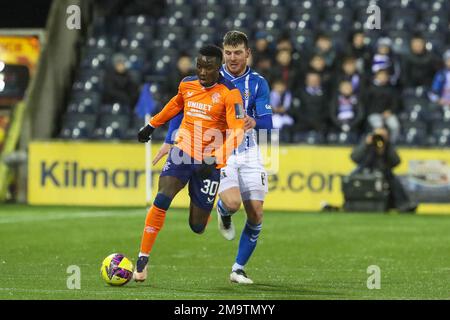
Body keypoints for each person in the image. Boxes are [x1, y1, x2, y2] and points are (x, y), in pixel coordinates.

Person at [153, 31, 273, 284]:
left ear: (247, 53)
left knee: (257, 215)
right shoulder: (210, 77)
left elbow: (268, 121)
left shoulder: (259, 83)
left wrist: (254, 120)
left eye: (238, 52)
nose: (232, 58)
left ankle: (238, 269)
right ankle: (223, 210)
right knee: (232, 203)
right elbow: (182, 106)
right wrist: (168, 140)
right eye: (228, 53)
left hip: (249, 151)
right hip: (220, 149)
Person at [133, 45, 245, 282]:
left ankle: (218, 210)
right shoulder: (187, 84)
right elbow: (175, 105)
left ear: (219, 68)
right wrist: (152, 125)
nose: (203, 72)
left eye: (209, 68)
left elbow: (237, 133)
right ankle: (143, 259)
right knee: (162, 196)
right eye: (200, 66)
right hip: (182, 152)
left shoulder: (230, 93)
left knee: (197, 226)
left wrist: (217, 157)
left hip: (209, 163)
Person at [350, 128, 417, 212]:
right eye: (378, 135)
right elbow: (354, 157)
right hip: (365, 171)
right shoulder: (367, 144)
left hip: (384, 173)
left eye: (382, 136)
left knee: (395, 181)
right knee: (351, 178)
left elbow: (396, 161)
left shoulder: (388, 146)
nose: (379, 138)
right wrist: (365, 144)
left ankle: (403, 205)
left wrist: (387, 147)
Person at [363, 69, 401, 143]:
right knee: (378, 126)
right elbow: (367, 104)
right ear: (376, 77)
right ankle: (376, 144)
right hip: (374, 113)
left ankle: (391, 144)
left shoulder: (391, 89)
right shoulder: (370, 89)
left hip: (388, 113)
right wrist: (377, 112)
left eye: (384, 76)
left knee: (395, 126)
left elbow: (395, 103)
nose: (383, 77)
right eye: (381, 75)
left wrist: (390, 111)